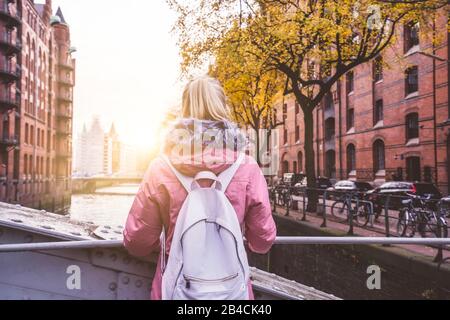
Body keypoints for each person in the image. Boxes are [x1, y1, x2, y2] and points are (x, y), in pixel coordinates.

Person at [123, 76, 277, 300]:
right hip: (232, 293)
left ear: (184, 110)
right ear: (223, 108)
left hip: (176, 290)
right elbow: (262, 241)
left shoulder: (161, 168)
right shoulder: (247, 167)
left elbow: (137, 242)